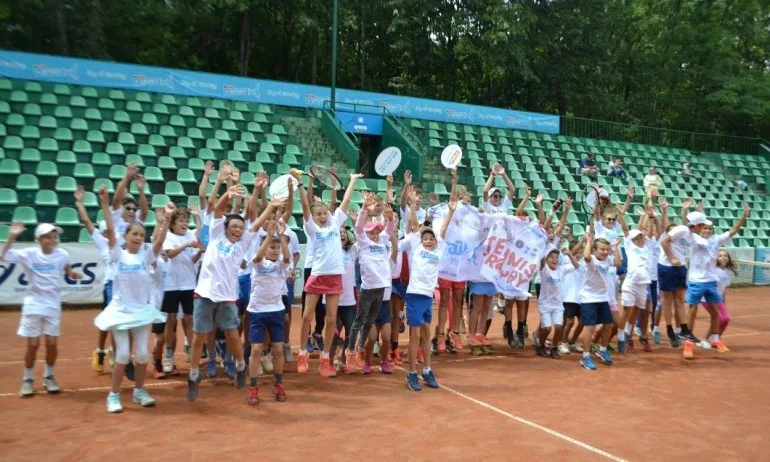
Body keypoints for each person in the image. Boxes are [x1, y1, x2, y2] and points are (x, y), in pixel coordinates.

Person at [186, 182, 282, 401]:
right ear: (226, 228)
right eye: (235, 227)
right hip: (204, 293)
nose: (239, 230)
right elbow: (218, 210)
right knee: (199, 335)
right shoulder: (216, 235)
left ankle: (240, 366)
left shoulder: (242, 244)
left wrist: (270, 206)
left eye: (241, 227)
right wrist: (227, 195)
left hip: (228, 295)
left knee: (231, 333)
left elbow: (256, 224)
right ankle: (193, 375)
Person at [93, 186, 169, 413]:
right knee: (124, 354)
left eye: (141, 235)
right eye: (134, 234)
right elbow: (110, 231)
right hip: (120, 311)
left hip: (140, 311)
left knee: (143, 354)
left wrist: (165, 221)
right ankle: (113, 395)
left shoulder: (147, 256)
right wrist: (106, 203)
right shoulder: (118, 254)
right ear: (126, 237)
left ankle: (138, 391)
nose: (138, 238)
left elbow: (160, 240)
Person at [2, 222, 81, 398]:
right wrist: (12, 236)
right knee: (33, 344)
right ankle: (27, 379)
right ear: (39, 239)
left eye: (54, 237)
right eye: (48, 237)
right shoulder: (29, 254)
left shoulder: (62, 255)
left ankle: (49, 376)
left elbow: (67, 269)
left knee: (52, 343)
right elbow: (4, 256)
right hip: (33, 304)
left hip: (53, 304)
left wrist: (72, 274)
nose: (52, 240)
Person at [296, 170, 361, 377]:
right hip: (318, 275)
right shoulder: (312, 229)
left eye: (325, 213)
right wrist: (299, 184)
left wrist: (351, 180)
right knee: (307, 316)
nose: (323, 217)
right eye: (319, 214)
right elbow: (305, 206)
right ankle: (302, 353)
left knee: (332, 320)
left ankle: (325, 358)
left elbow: (347, 199)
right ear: (313, 218)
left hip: (334, 277)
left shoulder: (334, 224)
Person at [401, 192, 454, 391]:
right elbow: (415, 224)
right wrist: (413, 205)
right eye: (426, 238)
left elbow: (445, 229)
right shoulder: (415, 245)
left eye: (432, 238)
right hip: (414, 295)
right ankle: (412, 372)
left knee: (425, 334)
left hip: (427, 296)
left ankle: (427, 370)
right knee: (414, 336)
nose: (429, 241)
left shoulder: (439, 250)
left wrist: (450, 212)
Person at [683, 206, 749, 358]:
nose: (707, 230)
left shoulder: (716, 240)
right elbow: (686, 226)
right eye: (704, 228)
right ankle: (688, 344)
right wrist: (687, 211)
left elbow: (733, 231)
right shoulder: (693, 238)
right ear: (700, 228)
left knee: (715, 312)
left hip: (710, 280)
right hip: (695, 280)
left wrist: (744, 217)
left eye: (710, 228)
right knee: (692, 311)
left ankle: (715, 339)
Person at [345, 196, 396, 372]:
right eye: (372, 232)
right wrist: (364, 208)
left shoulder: (382, 241)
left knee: (369, 323)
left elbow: (389, 230)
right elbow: (359, 227)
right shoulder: (363, 242)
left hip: (381, 289)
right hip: (367, 289)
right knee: (359, 322)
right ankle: (350, 351)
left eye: (376, 232)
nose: (374, 234)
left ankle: (360, 348)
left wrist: (390, 218)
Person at [246, 220, 291, 405]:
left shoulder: (281, 265)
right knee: (256, 350)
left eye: (277, 248)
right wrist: (269, 235)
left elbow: (287, 258)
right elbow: (257, 256)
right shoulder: (257, 263)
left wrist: (280, 236)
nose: (274, 250)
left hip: (276, 310)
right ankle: (253, 388)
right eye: (271, 247)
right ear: (265, 248)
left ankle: (278, 384)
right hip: (257, 311)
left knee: (278, 350)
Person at [161, 207, 204, 374]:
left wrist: (199, 253)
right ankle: (169, 355)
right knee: (171, 320)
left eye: (186, 221)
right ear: (173, 224)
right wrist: (187, 244)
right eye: (181, 221)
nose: (184, 223)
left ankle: (193, 356)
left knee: (189, 319)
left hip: (189, 284)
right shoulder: (169, 236)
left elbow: (192, 259)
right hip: (172, 284)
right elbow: (170, 255)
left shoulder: (191, 236)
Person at [578, 233, 621, 370]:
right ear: (595, 250)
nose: (605, 252)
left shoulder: (607, 260)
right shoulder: (592, 261)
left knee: (608, 325)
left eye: (607, 250)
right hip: (588, 298)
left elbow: (618, 263)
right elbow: (585, 256)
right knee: (589, 327)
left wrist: (616, 247)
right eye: (602, 249)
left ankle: (602, 350)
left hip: (603, 297)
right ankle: (585, 356)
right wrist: (588, 241)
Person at [536, 248, 579, 358]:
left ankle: (554, 348)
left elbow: (576, 265)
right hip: (545, 304)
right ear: (546, 259)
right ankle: (540, 345)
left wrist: (569, 253)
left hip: (557, 305)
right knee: (547, 329)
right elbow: (541, 262)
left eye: (556, 257)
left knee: (559, 327)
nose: (554, 260)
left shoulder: (561, 269)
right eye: (552, 257)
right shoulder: (544, 270)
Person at [696, 250, 737, 349]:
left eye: (725, 256)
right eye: (720, 256)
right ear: (716, 259)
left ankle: (716, 339)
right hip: (707, 298)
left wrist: (723, 303)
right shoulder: (713, 270)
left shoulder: (727, 273)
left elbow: (723, 290)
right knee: (719, 319)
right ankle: (704, 339)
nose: (723, 257)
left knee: (726, 318)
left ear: (728, 258)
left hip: (718, 299)